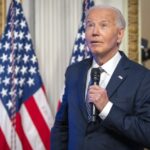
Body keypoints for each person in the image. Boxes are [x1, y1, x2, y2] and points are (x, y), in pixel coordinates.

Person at [51, 5, 150, 150]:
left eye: (103, 25)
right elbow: (62, 125)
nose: (94, 32)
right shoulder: (74, 72)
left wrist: (107, 109)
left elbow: (147, 133)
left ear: (120, 34)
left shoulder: (142, 78)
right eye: (90, 25)